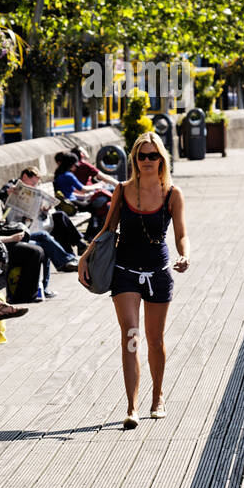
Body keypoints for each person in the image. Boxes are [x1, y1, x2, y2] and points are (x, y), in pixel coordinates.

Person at [78, 131, 189, 430]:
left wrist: (184, 254)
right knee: (130, 336)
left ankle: (158, 396)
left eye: (153, 155)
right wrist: (84, 257)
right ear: (135, 159)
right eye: (142, 156)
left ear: (162, 159)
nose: (147, 161)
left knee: (155, 340)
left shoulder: (172, 193)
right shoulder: (122, 190)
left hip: (158, 272)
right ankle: (132, 406)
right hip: (125, 271)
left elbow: (181, 233)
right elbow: (107, 228)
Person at [54, 152, 111, 237]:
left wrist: (85, 196)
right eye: (75, 165)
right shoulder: (68, 175)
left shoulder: (59, 175)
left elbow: (69, 193)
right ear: (70, 165)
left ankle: (91, 232)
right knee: (98, 206)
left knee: (95, 204)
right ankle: (92, 233)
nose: (76, 167)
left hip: (70, 201)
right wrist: (99, 185)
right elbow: (83, 189)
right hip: (73, 204)